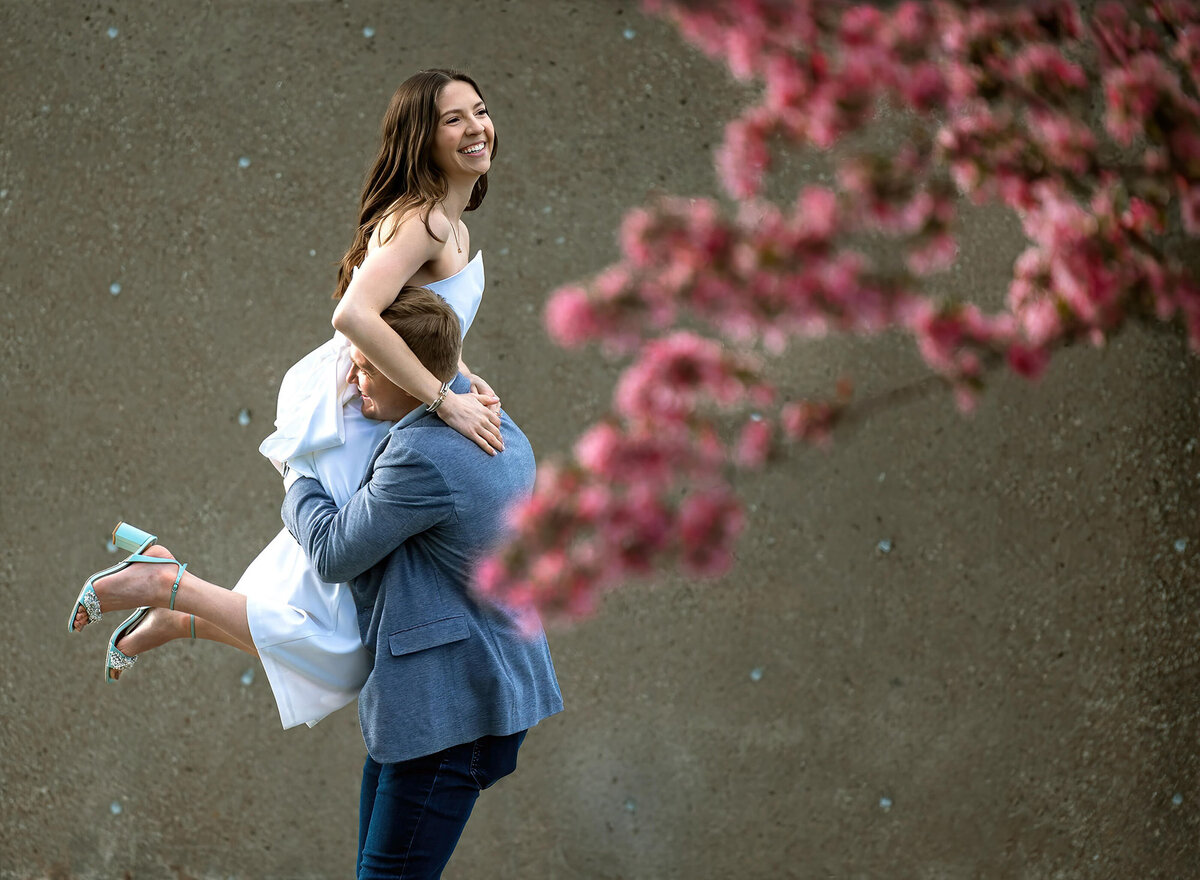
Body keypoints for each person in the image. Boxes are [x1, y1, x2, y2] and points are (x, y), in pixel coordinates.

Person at [66, 69, 509, 729]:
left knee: (337, 634)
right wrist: (444, 402)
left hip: (383, 410)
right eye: (454, 119)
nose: (476, 127)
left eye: (479, 110)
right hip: (364, 414)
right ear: (423, 137)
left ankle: (169, 604)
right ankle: (163, 589)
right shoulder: (423, 223)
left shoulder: (449, 225)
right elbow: (356, 315)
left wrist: (463, 376)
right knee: (344, 638)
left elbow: (417, 320)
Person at [285, 287, 562, 878]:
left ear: (405, 374)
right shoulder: (495, 418)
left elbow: (333, 553)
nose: (356, 385)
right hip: (456, 699)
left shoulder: (422, 455)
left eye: (365, 370)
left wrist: (297, 474)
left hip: (450, 713)